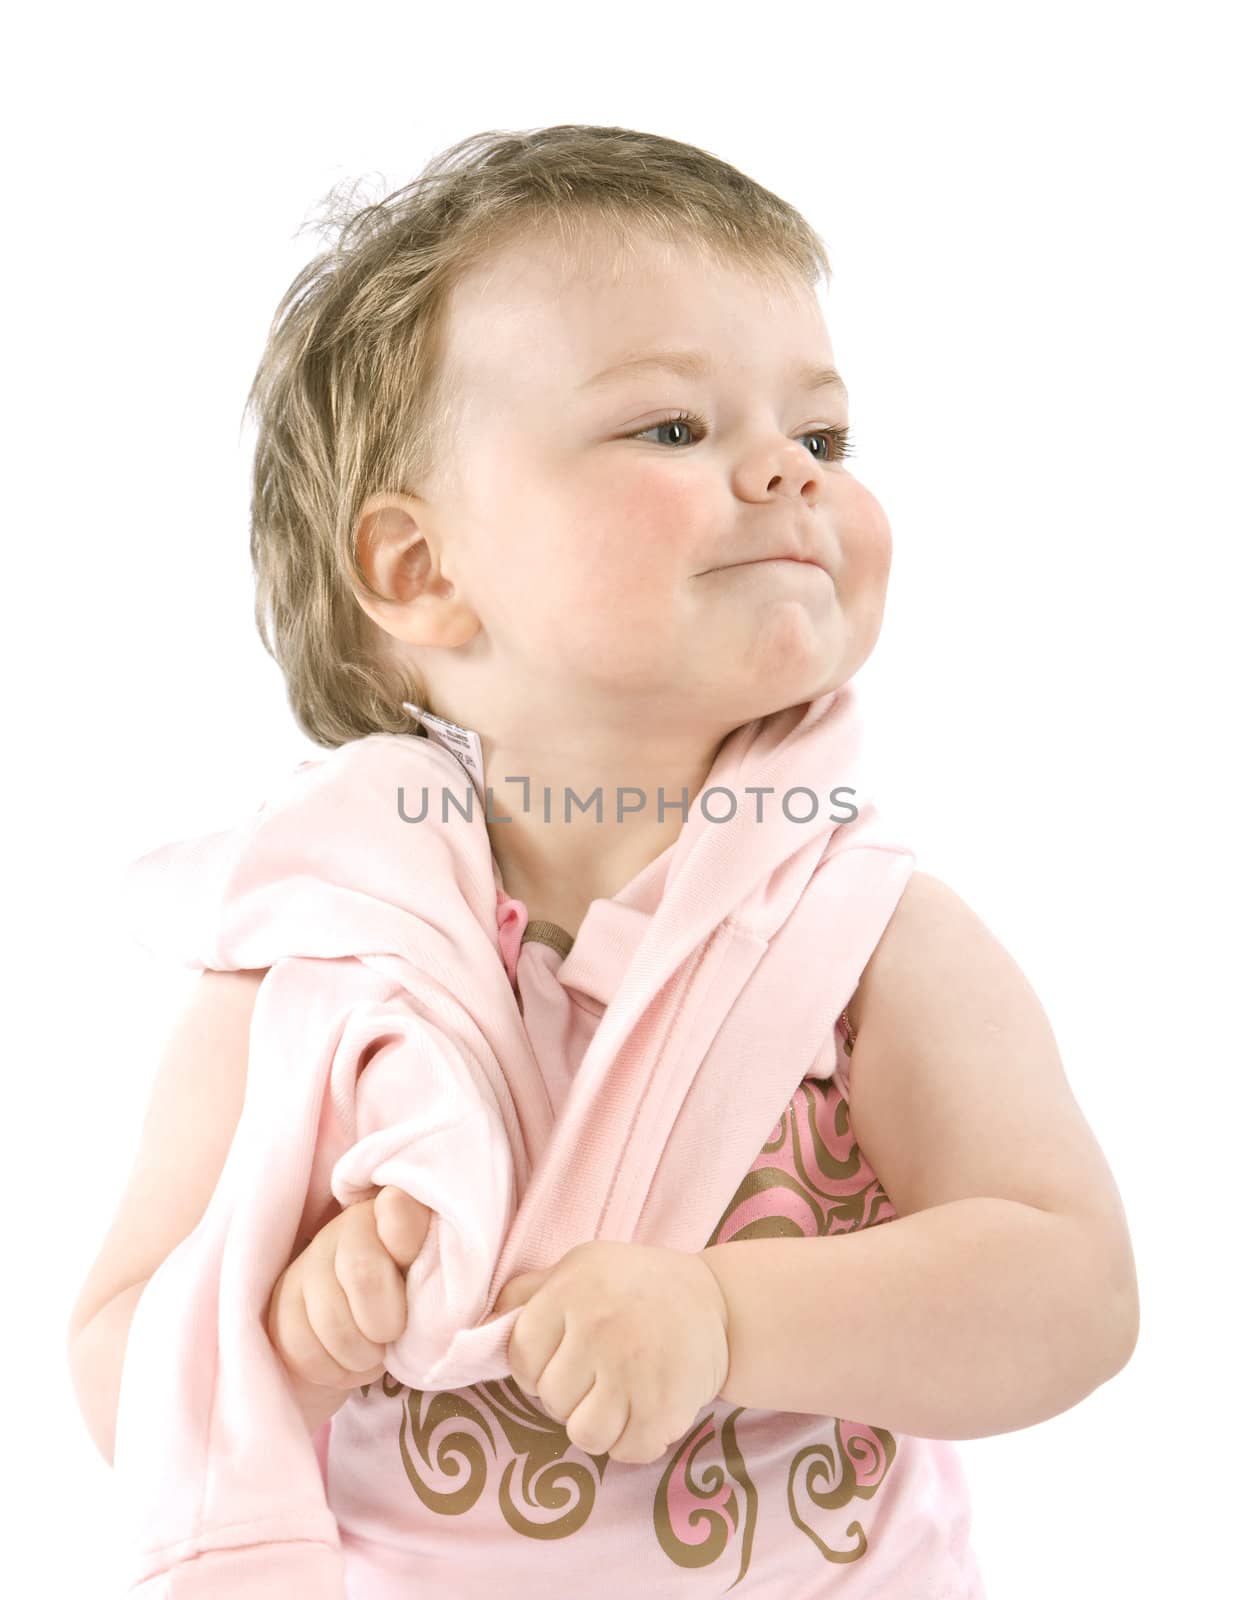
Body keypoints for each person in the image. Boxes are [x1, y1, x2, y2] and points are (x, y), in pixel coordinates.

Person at [67, 124, 1138, 1598]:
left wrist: (725, 1317)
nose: (790, 474)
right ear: (423, 572)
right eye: (675, 430)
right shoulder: (308, 959)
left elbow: (1073, 1295)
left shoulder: (865, 936)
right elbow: (118, 1353)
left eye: (822, 438)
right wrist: (285, 1341)